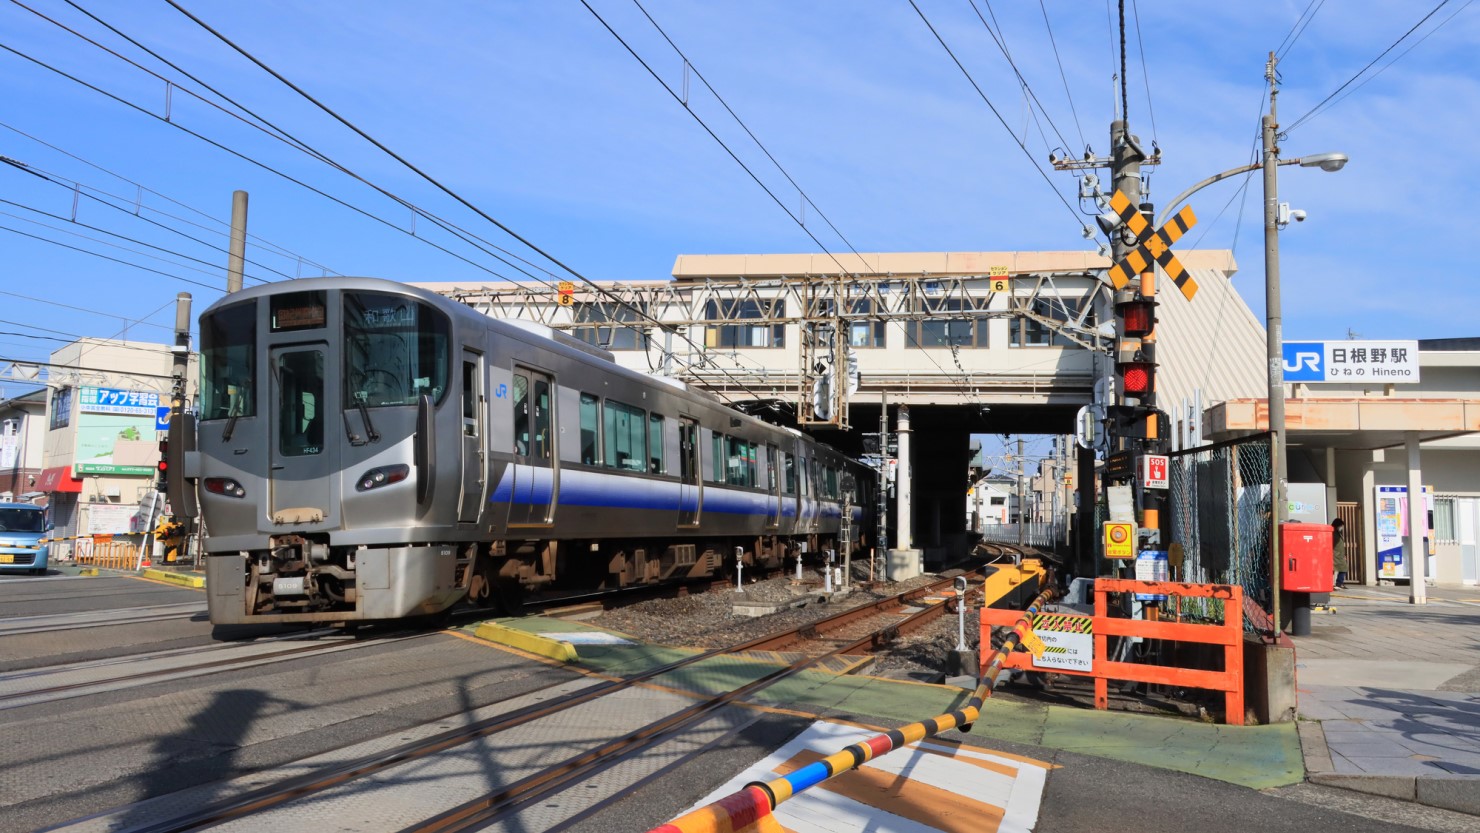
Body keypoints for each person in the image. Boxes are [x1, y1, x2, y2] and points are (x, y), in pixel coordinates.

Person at [1332, 518, 1348, 589]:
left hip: (1339, 555)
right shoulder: (1333, 532)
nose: (1341, 527)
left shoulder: (1337, 532)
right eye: (1341, 525)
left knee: (1343, 568)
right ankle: (1338, 583)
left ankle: (1339, 583)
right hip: (1335, 555)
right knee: (1342, 569)